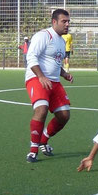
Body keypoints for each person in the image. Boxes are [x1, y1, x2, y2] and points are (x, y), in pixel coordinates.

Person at [25, 9, 74, 163]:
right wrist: (41, 76)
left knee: (64, 115)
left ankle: (43, 140)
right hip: (36, 78)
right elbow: (31, 56)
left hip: (54, 81)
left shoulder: (61, 40)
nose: (67, 24)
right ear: (54, 22)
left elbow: (55, 62)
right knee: (42, 109)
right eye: (63, 21)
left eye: (68, 22)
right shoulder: (43, 36)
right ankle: (33, 151)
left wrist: (64, 74)